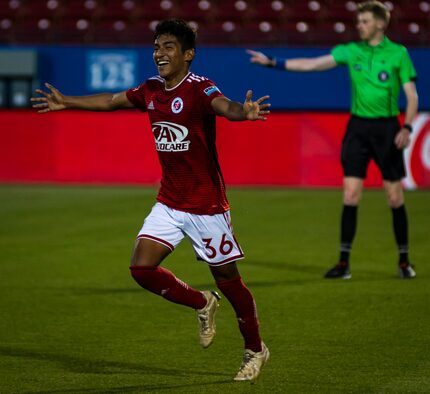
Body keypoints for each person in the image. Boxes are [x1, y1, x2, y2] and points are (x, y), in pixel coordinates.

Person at [32, 19, 270, 381]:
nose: (160, 53)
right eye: (157, 46)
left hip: (206, 206)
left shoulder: (199, 88)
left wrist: (244, 113)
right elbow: (113, 100)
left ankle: (255, 350)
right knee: (141, 269)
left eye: (169, 46)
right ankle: (201, 302)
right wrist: (67, 101)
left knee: (230, 281)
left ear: (188, 54)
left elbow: (224, 106)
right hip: (170, 201)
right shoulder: (151, 89)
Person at [247, 1, 418, 280]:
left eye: (364, 21)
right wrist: (273, 63)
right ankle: (343, 263)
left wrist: (408, 127)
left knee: (394, 197)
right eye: (358, 20)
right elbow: (314, 64)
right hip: (358, 129)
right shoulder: (351, 51)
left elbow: (412, 96)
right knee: (350, 195)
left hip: (387, 129)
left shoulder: (398, 53)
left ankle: (403, 261)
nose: (359, 25)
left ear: (379, 23)